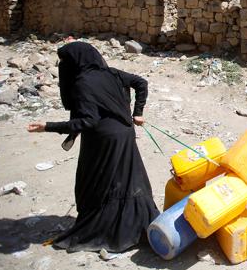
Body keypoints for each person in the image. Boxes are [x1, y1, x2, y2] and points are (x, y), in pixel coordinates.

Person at [27, 41, 159, 252]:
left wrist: (48, 126)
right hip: (125, 135)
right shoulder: (112, 73)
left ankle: (107, 231)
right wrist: (138, 113)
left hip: (103, 141)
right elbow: (141, 83)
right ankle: (137, 227)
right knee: (128, 180)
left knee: (96, 184)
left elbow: (87, 121)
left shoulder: (82, 83)